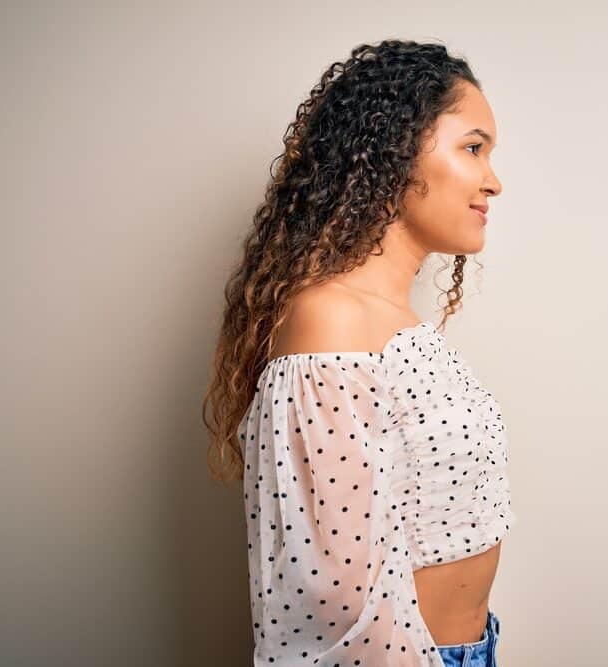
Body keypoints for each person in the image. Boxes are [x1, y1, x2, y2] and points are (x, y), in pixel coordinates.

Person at [203, 39, 514, 666]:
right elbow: (333, 603)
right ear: (394, 151)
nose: (493, 181)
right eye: (472, 147)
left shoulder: (393, 323)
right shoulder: (333, 322)